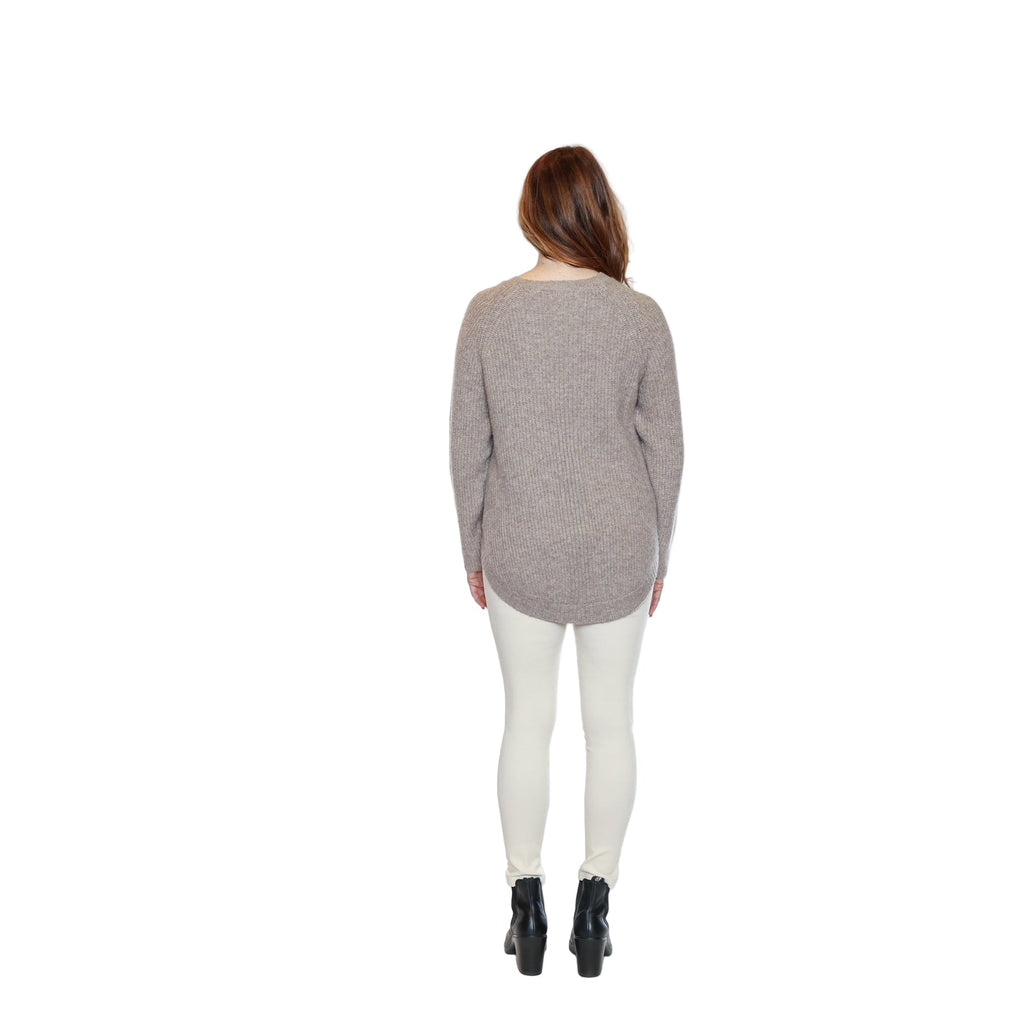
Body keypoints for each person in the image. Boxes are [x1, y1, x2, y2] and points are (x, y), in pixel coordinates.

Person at [448, 145, 684, 977]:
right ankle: (595, 903)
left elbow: (467, 449)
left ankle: (525, 903)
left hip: (520, 544)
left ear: (532, 212)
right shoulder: (640, 316)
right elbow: (668, 451)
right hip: (619, 545)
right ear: (597, 209)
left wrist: (473, 546)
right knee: (610, 723)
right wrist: (660, 552)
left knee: (526, 721)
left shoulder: (487, 313)